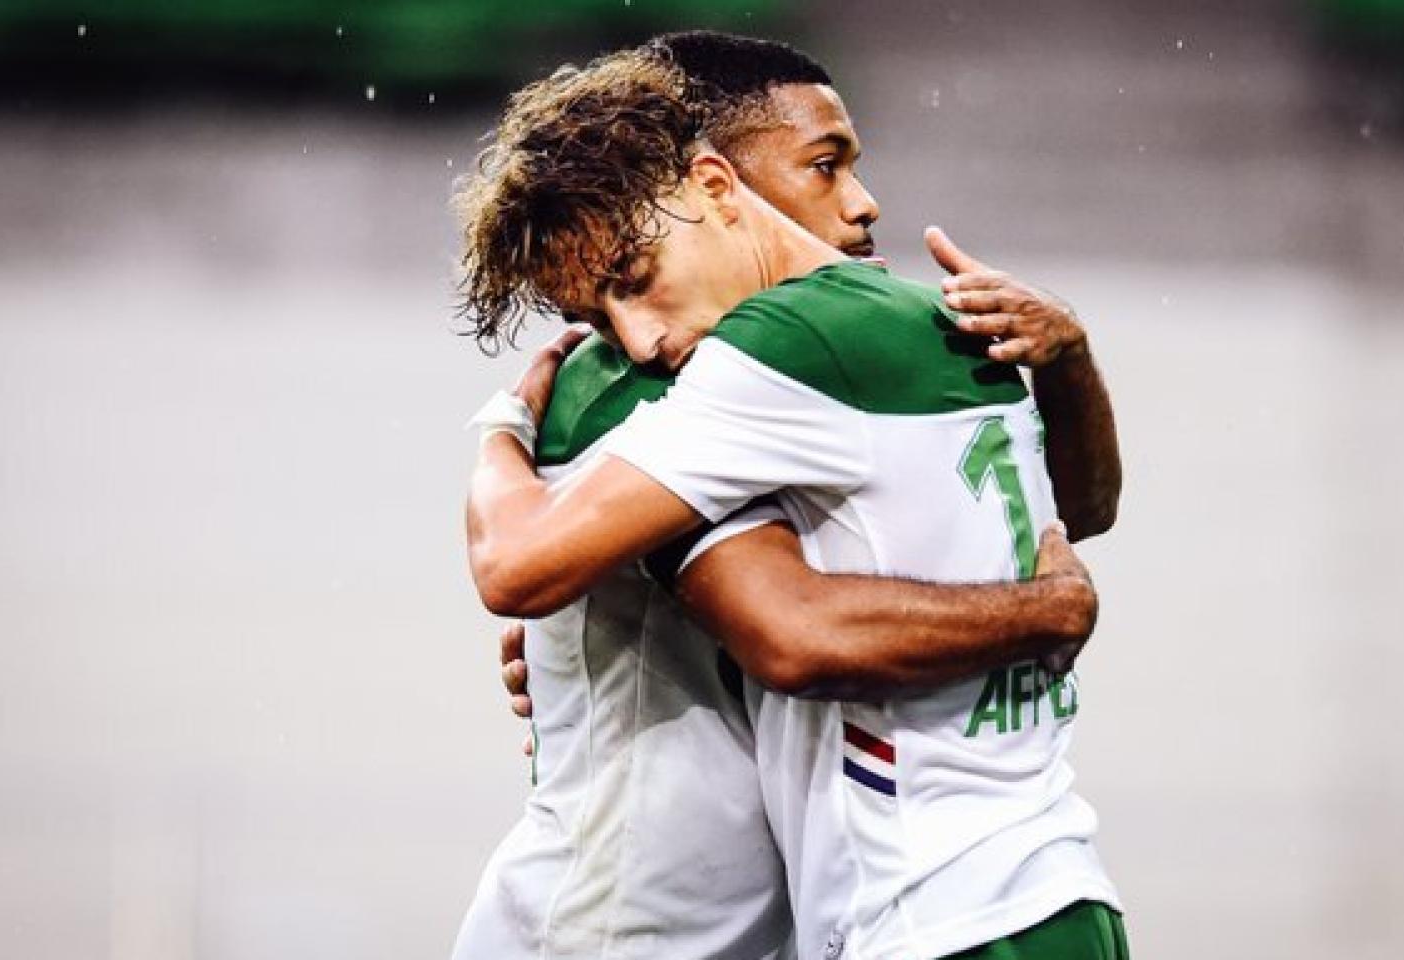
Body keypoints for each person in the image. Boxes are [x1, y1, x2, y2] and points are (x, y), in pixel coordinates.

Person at [460, 44, 1128, 960]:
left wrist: (502, 438)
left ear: (715, 183)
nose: (862, 203)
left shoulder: (790, 355)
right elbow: (794, 625)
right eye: (827, 165)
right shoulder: (905, 331)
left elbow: (796, 628)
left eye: (840, 161)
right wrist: (1051, 604)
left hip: (925, 915)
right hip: (623, 929)